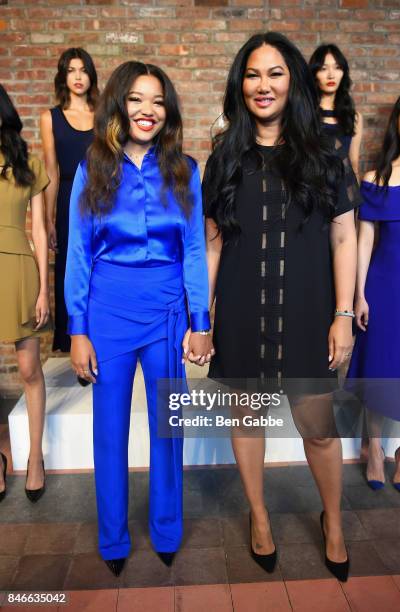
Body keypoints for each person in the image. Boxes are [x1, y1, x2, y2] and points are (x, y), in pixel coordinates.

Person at [204, 32, 360, 582]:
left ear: (292, 80)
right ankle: (260, 516)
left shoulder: (325, 154)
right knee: (246, 418)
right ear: (239, 84)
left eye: (274, 73)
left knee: (316, 426)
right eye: (252, 74)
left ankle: (333, 521)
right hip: (244, 307)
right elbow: (214, 242)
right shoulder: (225, 155)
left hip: (308, 308)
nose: (262, 85)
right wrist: (205, 317)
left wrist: (343, 314)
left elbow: (344, 238)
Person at [65, 61, 213, 576]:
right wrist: (77, 328)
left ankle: (167, 530)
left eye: (157, 101)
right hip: (107, 312)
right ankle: (113, 539)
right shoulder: (92, 168)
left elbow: (193, 249)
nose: (147, 111)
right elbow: (79, 253)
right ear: (118, 105)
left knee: (168, 428)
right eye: (136, 100)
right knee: (109, 431)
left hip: (169, 312)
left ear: (167, 110)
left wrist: (202, 320)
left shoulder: (186, 170)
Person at [346, 91, 400, 493]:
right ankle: (375, 449)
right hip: (385, 286)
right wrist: (359, 295)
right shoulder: (377, 180)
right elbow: (362, 241)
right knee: (381, 367)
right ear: (397, 123)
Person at [0, 84, 51, 503]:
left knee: (30, 369)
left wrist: (43, 290)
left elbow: (38, 229)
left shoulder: (27, 163)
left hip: (17, 266)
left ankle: (35, 457)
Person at [40, 48, 98, 352]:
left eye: (83, 70)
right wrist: (49, 219)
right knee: (69, 266)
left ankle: (99, 333)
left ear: (91, 75)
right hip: (65, 200)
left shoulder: (103, 115)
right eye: (71, 70)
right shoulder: (49, 118)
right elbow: (50, 168)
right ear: (63, 76)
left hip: (99, 198)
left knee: (98, 264)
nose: (78, 76)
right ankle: (71, 339)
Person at [309, 44, 363, 179]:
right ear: (314, 73)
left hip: (343, 191)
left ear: (343, 73)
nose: (331, 75)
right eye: (323, 68)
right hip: (312, 190)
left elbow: (354, 164)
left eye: (337, 67)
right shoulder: (305, 113)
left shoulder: (354, 117)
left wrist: (355, 198)